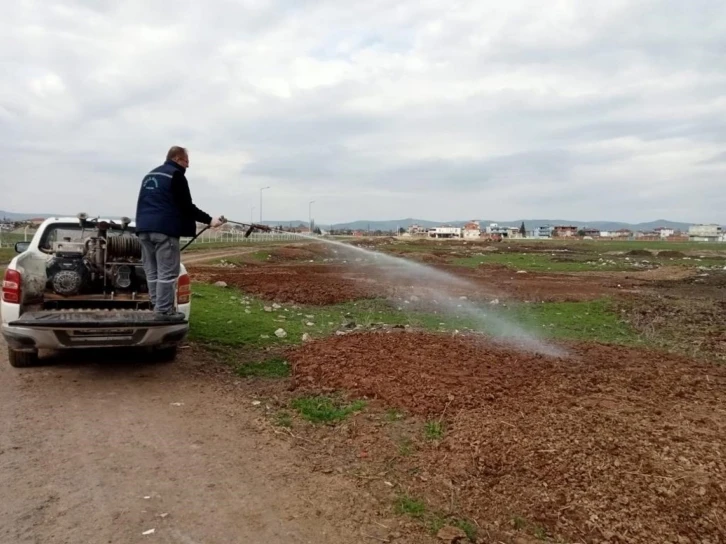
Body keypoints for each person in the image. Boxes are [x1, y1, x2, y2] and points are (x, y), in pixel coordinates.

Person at [135, 146, 223, 319]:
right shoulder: (175, 175)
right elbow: (186, 206)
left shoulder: (150, 175)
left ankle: (155, 306)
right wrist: (210, 220)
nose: (187, 166)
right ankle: (164, 311)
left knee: (152, 271)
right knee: (167, 273)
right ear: (176, 159)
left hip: (143, 229)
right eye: (186, 161)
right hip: (164, 230)